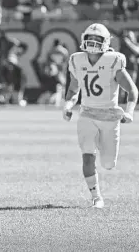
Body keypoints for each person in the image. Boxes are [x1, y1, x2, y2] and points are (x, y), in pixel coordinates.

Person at [63, 23, 138, 208]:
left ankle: (99, 186)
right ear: (83, 39)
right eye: (90, 38)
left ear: (105, 42)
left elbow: (132, 90)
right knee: (87, 155)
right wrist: (68, 104)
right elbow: (73, 88)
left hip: (110, 116)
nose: (93, 42)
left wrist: (129, 112)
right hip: (87, 114)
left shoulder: (113, 60)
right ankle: (96, 197)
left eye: (97, 39)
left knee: (108, 163)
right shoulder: (77, 60)